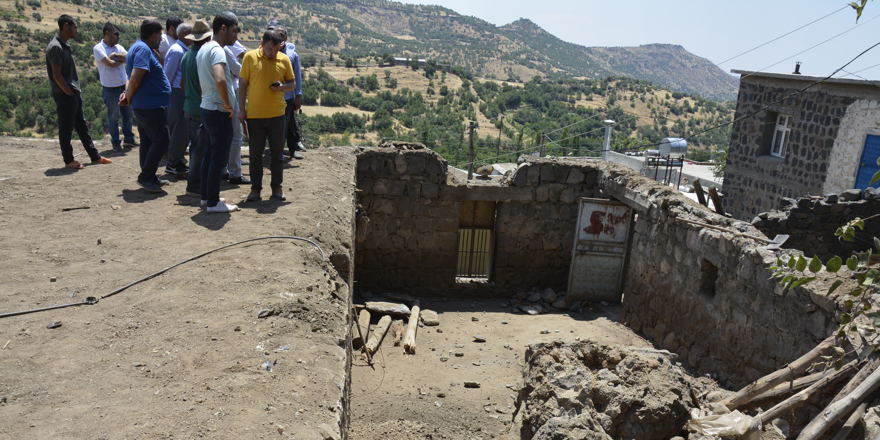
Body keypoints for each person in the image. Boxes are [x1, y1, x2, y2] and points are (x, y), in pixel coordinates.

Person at [46, 14, 112, 169]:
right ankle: (69, 160)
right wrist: (68, 93)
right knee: (66, 128)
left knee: (81, 126)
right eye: (75, 26)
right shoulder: (56, 47)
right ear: (66, 26)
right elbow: (56, 75)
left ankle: (95, 157)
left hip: (71, 92)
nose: (77, 29)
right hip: (65, 94)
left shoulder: (62, 45)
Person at [238, 29, 295, 202]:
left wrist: (281, 87)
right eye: (270, 49)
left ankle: (277, 188)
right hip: (255, 116)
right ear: (262, 44)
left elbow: (292, 84)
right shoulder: (250, 57)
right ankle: (255, 189)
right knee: (255, 155)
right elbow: (242, 85)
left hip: (277, 115)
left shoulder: (284, 59)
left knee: (277, 154)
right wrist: (241, 110)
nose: (273, 53)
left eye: (276, 49)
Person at [196, 12, 240, 213]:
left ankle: (207, 197)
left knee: (209, 156)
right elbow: (220, 79)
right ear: (223, 28)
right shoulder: (217, 51)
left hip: (207, 108)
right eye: (234, 30)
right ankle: (213, 203)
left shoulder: (204, 48)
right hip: (217, 110)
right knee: (218, 158)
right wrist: (228, 105)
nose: (236, 36)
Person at [121, 20, 171, 193]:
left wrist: (129, 95)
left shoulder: (139, 47)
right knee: (162, 140)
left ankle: (148, 175)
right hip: (150, 105)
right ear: (154, 35)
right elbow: (136, 76)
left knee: (149, 141)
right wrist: (128, 95)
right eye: (160, 35)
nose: (161, 40)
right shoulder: (142, 49)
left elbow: (132, 77)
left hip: (146, 104)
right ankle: (146, 176)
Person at [92, 22, 136, 153]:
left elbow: (129, 59)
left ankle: (129, 139)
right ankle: (116, 142)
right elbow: (110, 64)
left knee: (128, 115)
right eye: (116, 34)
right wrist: (119, 59)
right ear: (107, 33)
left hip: (124, 86)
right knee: (113, 117)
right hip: (111, 89)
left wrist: (116, 57)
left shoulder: (119, 47)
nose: (118, 36)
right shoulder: (98, 48)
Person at [181, 20, 211, 197]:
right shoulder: (203, 57)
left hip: (189, 105)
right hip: (201, 108)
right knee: (200, 150)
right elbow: (203, 86)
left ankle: (194, 183)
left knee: (195, 148)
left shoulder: (186, 55)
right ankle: (195, 186)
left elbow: (183, 83)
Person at [163, 22, 192, 176]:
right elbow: (167, 76)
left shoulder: (182, 49)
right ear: (184, 35)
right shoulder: (177, 51)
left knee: (183, 130)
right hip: (176, 93)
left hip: (181, 93)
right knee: (179, 130)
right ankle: (172, 164)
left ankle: (178, 162)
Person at [274, 26, 306, 160]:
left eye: (281, 35)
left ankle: (291, 150)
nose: (279, 38)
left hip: (287, 96)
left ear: (285, 37)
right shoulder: (269, 50)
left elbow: (297, 76)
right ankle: (278, 152)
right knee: (278, 125)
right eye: (277, 35)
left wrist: (298, 95)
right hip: (273, 96)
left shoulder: (292, 53)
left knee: (287, 124)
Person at [223, 36, 250, 185]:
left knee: (222, 135)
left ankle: (222, 170)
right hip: (229, 93)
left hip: (213, 98)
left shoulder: (203, 49)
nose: (236, 36)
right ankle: (235, 172)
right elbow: (238, 70)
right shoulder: (224, 49)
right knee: (236, 134)